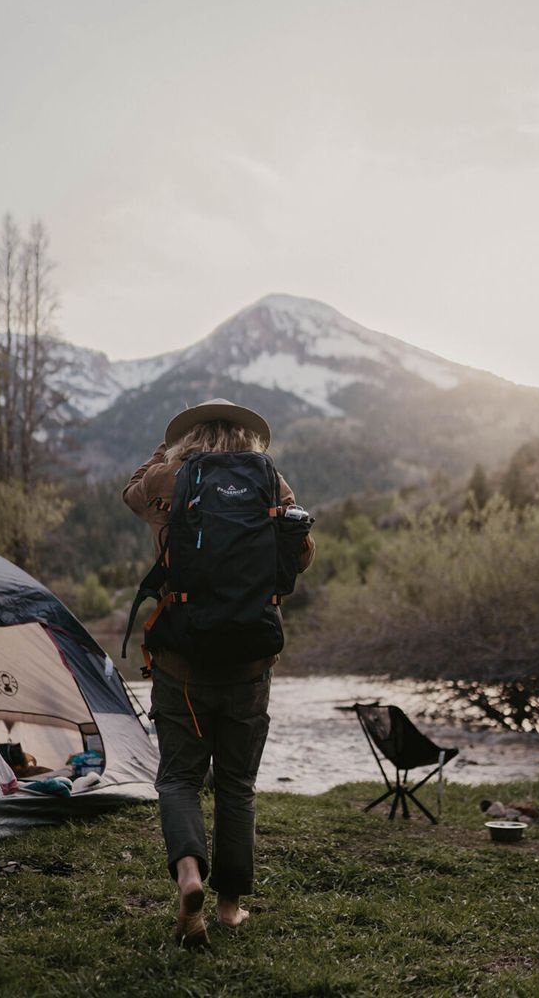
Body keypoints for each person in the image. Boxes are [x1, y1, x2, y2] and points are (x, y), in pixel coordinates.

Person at [122, 398, 315, 948]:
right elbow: (301, 556)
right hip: (251, 658)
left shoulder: (170, 477)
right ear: (249, 438)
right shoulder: (271, 482)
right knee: (237, 784)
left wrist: (164, 450)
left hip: (182, 658)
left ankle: (188, 878)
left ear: (189, 435)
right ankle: (230, 907)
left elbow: (131, 492)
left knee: (180, 777)